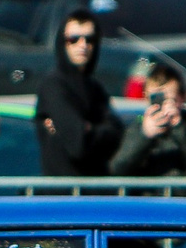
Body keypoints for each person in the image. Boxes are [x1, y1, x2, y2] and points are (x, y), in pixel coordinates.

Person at [34, 9, 121, 177]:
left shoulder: (96, 88)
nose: (83, 45)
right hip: (64, 196)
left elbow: (117, 133)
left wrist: (90, 130)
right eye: (73, 39)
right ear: (62, 42)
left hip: (97, 195)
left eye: (89, 39)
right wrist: (97, 130)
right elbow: (78, 144)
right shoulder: (53, 85)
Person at [109, 60, 186, 178]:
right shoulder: (136, 127)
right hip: (148, 196)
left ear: (183, 97)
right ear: (146, 97)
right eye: (156, 99)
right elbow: (117, 170)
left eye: (169, 100)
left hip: (183, 196)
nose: (163, 106)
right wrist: (144, 136)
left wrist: (179, 127)